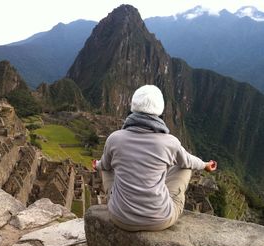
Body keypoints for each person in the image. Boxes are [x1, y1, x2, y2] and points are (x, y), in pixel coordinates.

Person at [92, 84, 217, 232]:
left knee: (105, 168)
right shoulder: (170, 142)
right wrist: (205, 165)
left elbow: (105, 166)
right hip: (160, 219)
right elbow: (189, 161)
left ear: (133, 106)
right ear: (160, 109)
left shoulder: (114, 139)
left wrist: (97, 165)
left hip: (120, 218)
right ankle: (155, 194)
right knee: (185, 166)